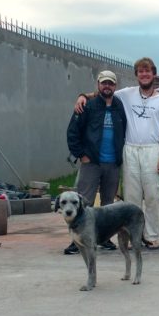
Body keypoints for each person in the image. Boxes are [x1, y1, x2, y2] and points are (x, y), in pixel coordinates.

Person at [76, 57, 159, 249]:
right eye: (140, 71)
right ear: (136, 75)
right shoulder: (127, 94)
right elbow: (104, 92)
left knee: (152, 195)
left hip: (152, 149)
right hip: (129, 149)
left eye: (148, 71)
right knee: (131, 197)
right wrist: (83, 96)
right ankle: (131, 236)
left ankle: (151, 235)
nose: (144, 74)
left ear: (154, 74)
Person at [63, 70, 128, 255]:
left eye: (111, 83)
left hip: (112, 164)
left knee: (108, 205)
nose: (107, 86)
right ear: (98, 84)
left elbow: (125, 128)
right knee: (84, 201)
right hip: (91, 162)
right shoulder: (88, 105)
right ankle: (77, 241)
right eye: (104, 83)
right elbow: (72, 132)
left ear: (115, 86)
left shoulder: (118, 105)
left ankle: (105, 238)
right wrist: (81, 154)